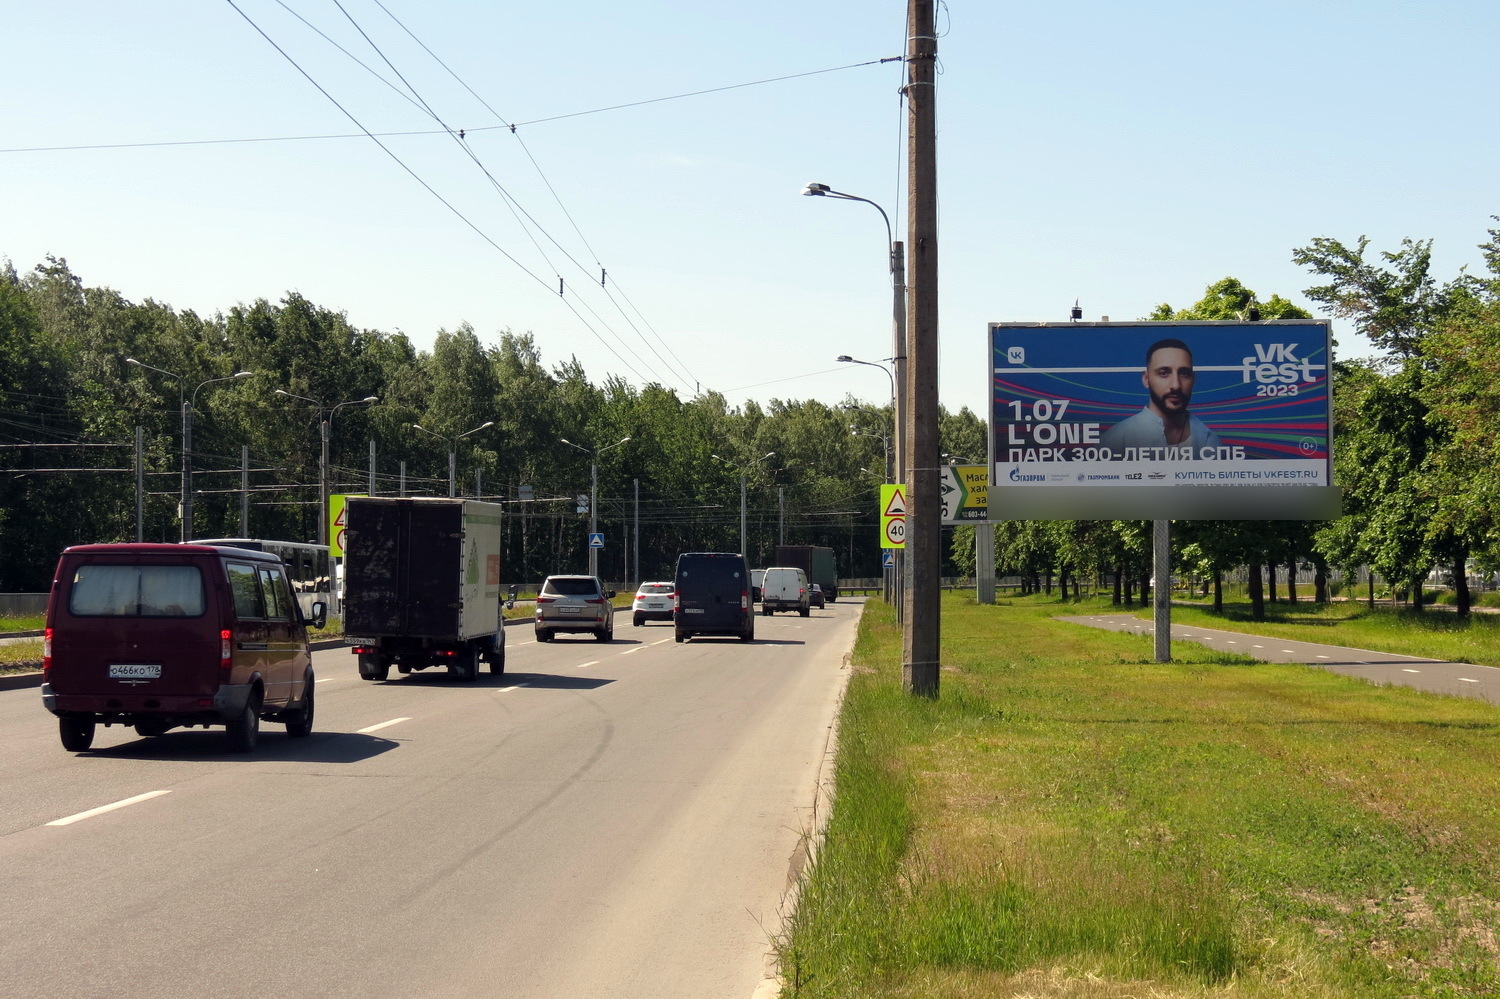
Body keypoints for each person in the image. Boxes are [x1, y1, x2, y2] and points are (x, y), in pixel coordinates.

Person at [1101, 338, 1223, 457]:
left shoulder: (1210, 441)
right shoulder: (1116, 440)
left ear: (1193, 379)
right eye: (1164, 373)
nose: (1176, 385)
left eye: (1184, 374)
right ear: (1146, 379)